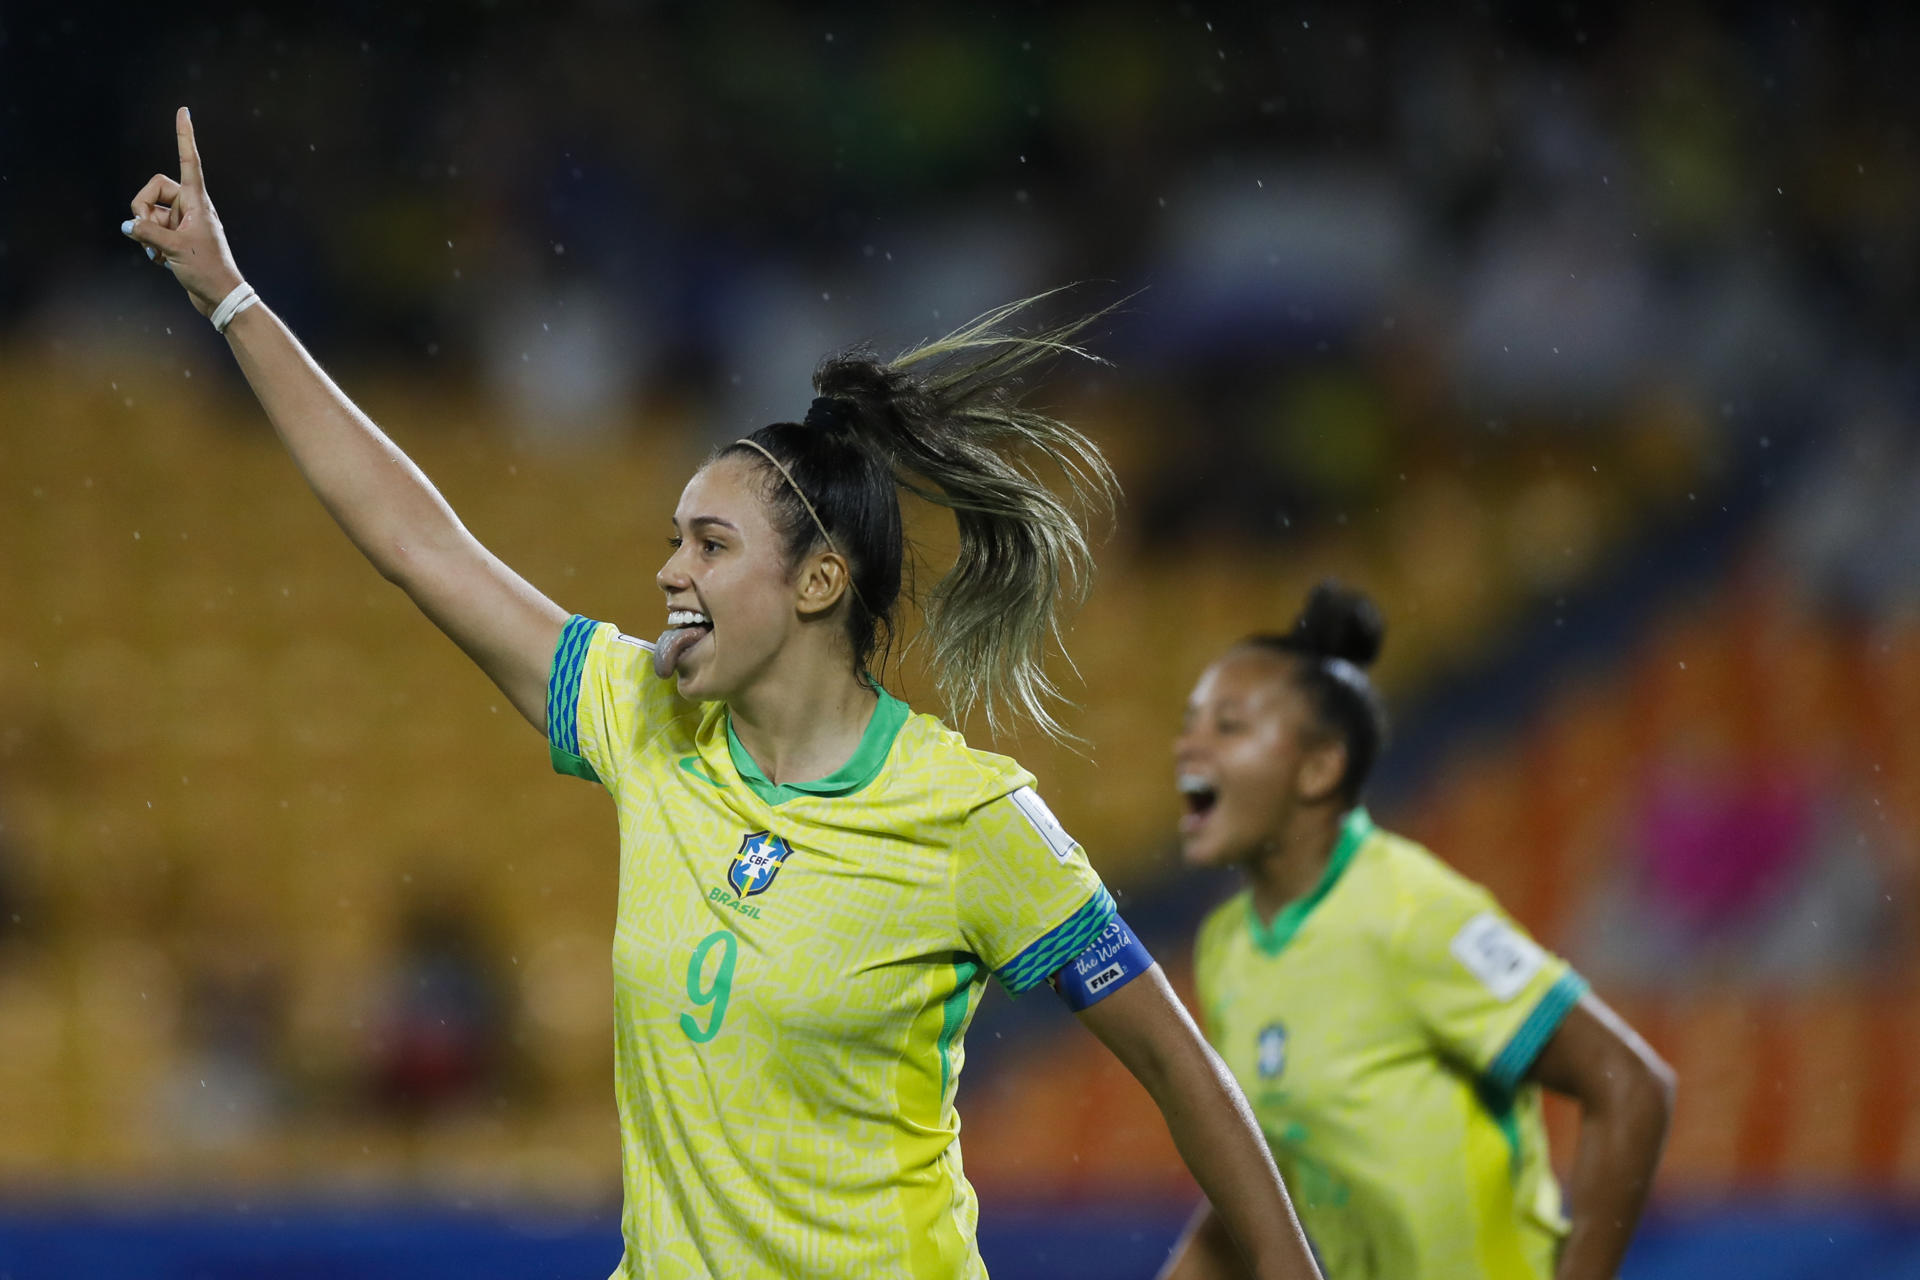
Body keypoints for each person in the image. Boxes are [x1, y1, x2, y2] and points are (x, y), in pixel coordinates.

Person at [121, 108, 1324, 1280]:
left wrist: (1282, 1263)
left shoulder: (967, 819)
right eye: (671, 540)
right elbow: (419, 542)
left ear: (817, 579)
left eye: (707, 545)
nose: (668, 571)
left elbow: (1178, 1066)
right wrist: (228, 296)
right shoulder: (645, 717)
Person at [1162, 583, 1675, 1280]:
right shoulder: (1225, 947)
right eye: (1190, 722)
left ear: (1320, 767)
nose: (1187, 746)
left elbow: (1630, 1083)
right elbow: (1270, 1176)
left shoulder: (1411, 909)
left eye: (1228, 726)